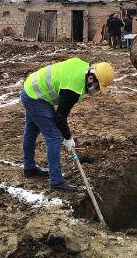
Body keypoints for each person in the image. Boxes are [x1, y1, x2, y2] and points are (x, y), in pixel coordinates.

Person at [21, 58, 115, 191]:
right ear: (90, 79)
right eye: (97, 86)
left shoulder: (82, 66)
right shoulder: (74, 89)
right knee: (53, 136)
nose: (97, 91)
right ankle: (56, 182)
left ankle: (29, 168)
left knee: (31, 131)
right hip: (35, 96)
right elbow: (60, 117)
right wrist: (68, 137)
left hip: (31, 88)